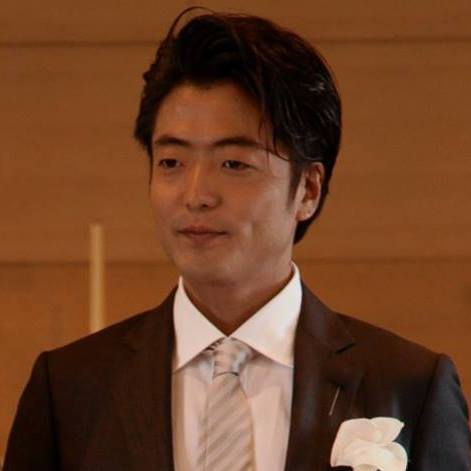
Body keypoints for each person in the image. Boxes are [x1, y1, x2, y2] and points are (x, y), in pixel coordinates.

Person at [4, 8, 470, 471]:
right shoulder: (69, 389)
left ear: (308, 190)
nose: (196, 195)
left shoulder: (408, 385)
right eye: (171, 163)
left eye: (234, 164)